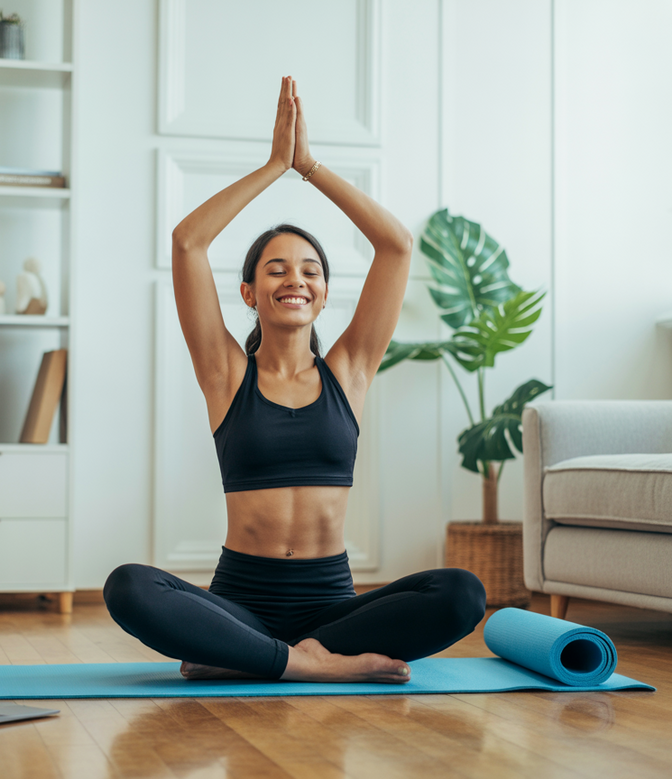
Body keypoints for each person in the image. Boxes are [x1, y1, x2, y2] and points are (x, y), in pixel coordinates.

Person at [103, 77, 486, 683]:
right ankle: (313, 669)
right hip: (238, 605)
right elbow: (188, 242)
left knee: (462, 592)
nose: (296, 280)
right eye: (276, 270)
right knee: (128, 586)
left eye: (310, 271)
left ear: (326, 293)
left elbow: (396, 245)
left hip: (332, 612)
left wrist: (308, 167)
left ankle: (260, 660)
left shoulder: (350, 369)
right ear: (250, 293)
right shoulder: (226, 374)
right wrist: (273, 166)